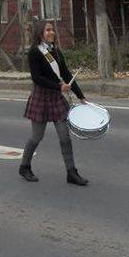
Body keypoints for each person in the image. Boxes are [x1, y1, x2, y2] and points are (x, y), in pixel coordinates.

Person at [19, 21, 89, 186]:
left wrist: (81, 95)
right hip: (41, 97)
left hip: (56, 97)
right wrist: (59, 86)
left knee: (65, 136)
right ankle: (24, 166)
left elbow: (65, 73)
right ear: (40, 33)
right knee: (37, 136)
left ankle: (71, 172)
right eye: (48, 30)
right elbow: (37, 78)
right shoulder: (35, 52)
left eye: (52, 30)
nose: (52, 32)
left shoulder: (55, 51)